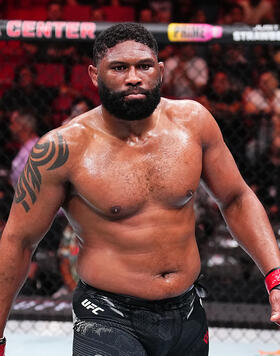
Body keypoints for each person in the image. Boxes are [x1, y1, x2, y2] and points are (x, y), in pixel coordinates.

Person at [0, 23, 280, 356]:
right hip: (107, 317)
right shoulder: (62, 149)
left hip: (187, 312)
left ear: (159, 71)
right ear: (94, 74)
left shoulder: (193, 123)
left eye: (144, 66)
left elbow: (236, 198)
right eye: (119, 68)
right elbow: (19, 241)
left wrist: (275, 276)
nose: (134, 77)